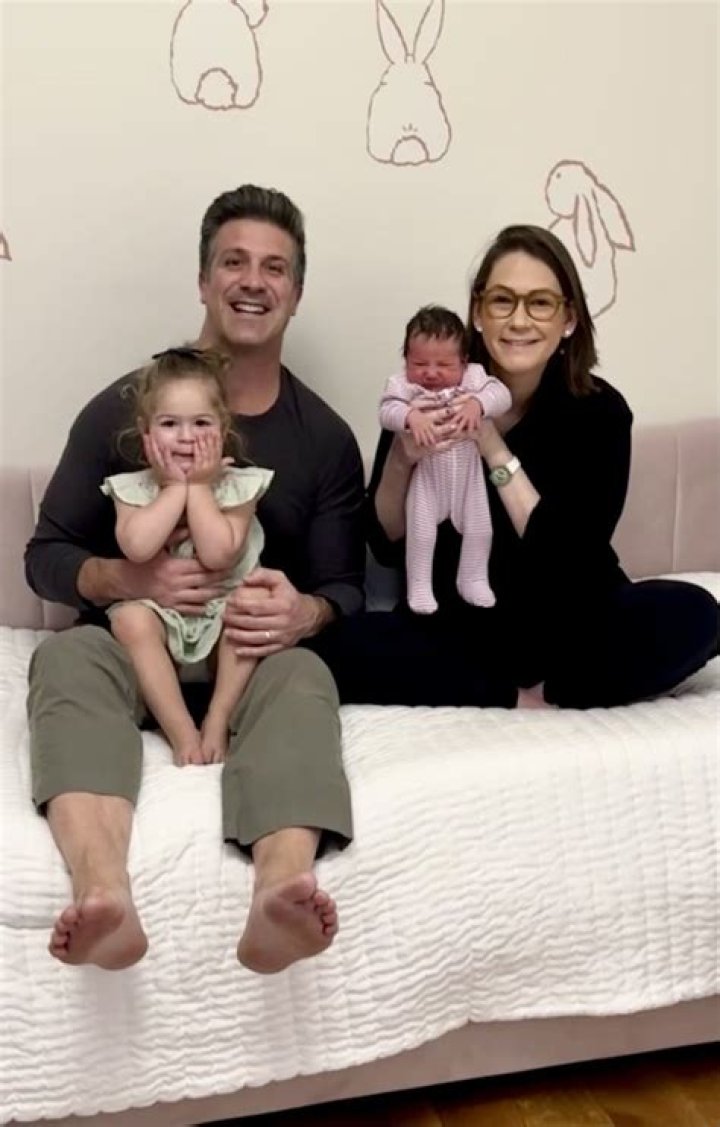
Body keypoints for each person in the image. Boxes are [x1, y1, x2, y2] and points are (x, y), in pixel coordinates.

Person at [25, 184, 365, 974]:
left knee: (307, 676)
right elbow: (45, 555)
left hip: (243, 655)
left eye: (275, 268)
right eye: (234, 262)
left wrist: (305, 612)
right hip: (130, 646)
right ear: (205, 280)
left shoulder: (324, 439)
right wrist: (125, 575)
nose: (253, 281)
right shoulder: (127, 410)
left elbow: (346, 587)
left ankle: (281, 890)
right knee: (65, 658)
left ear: (296, 292)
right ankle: (102, 893)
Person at [313, 225, 718, 710]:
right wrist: (403, 458)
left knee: (695, 614)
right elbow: (384, 542)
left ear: (568, 319)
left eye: (540, 303)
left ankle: (557, 687)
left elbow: (567, 560)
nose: (519, 320)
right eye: (502, 301)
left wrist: (493, 448)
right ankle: (508, 693)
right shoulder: (430, 387)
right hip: (458, 625)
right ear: (478, 313)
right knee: (331, 648)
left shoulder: (600, 413)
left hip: (570, 623)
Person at [102, 345, 274, 766]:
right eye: (169, 424)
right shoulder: (132, 489)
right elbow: (137, 546)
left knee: (253, 604)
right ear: (145, 433)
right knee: (128, 620)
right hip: (161, 618)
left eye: (201, 423)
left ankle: (218, 717)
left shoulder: (239, 487)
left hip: (222, 615)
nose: (185, 437)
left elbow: (219, 554)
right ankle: (180, 730)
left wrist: (198, 488)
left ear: (223, 427)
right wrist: (174, 489)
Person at [378, 305, 511, 613]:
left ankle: (473, 578)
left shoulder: (474, 378)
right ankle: (419, 585)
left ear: (464, 362)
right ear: (406, 360)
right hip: (427, 479)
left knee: (481, 530)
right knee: (421, 534)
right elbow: (387, 410)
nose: (431, 373)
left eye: (445, 364)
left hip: (468, 479)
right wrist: (410, 417)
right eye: (419, 363)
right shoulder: (403, 386)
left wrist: (478, 404)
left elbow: (501, 395)